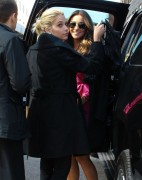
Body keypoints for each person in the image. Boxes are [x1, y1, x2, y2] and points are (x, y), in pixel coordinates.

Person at [25, 8, 105, 180]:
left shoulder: (32, 50)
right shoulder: (59, 48)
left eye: (65, 24)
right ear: (47, 29)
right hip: (61, 115)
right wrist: (97, 41)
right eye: (60, 25)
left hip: (39, 114)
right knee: (62, 165)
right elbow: (93, 67)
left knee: (46, 164)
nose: (66, 29)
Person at [67, 10, 101, 180]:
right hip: (66, 103)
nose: (76, 28)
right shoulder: (64, 45)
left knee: (81, 155)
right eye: (72, 24)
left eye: (81, 24)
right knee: (69, 156)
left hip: (83, 105)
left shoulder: (90, 47)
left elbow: (94, 73)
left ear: (87, 27)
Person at [0, 0, 31, 180]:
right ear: (13, 16)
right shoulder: (11, 40)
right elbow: (20, 83)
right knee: (10, 173)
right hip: (6, 121)